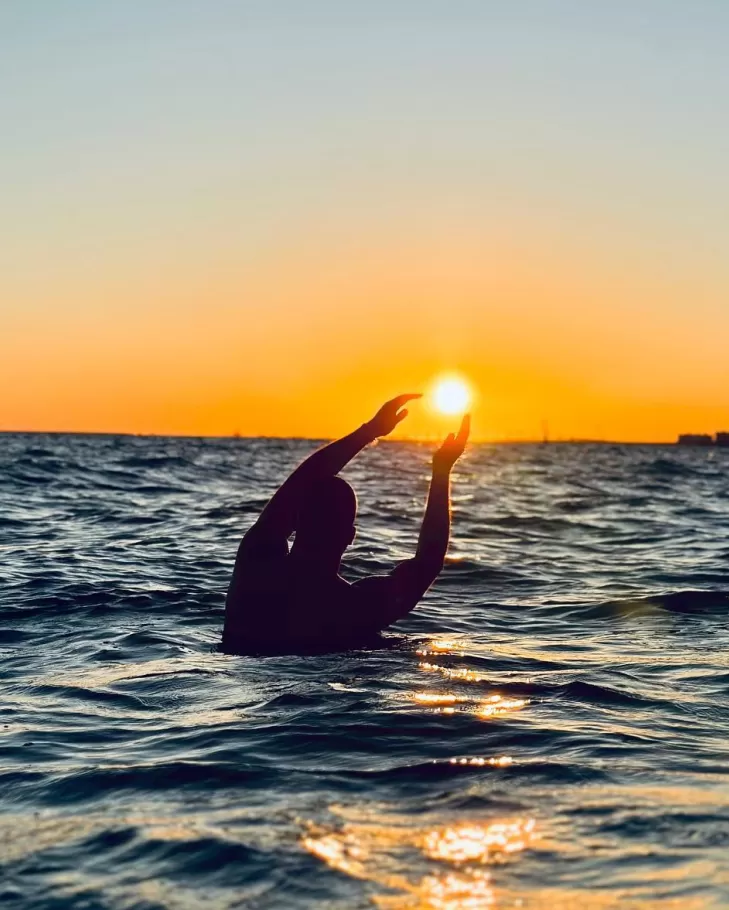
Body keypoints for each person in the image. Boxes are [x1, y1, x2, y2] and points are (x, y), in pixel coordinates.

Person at [222, 395, 470, 655]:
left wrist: (369, 431)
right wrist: (441, 471)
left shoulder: (257, 569)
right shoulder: (356, 607)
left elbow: (302, 481)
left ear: (296, 521)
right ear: (350, 536)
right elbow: (428, 561)